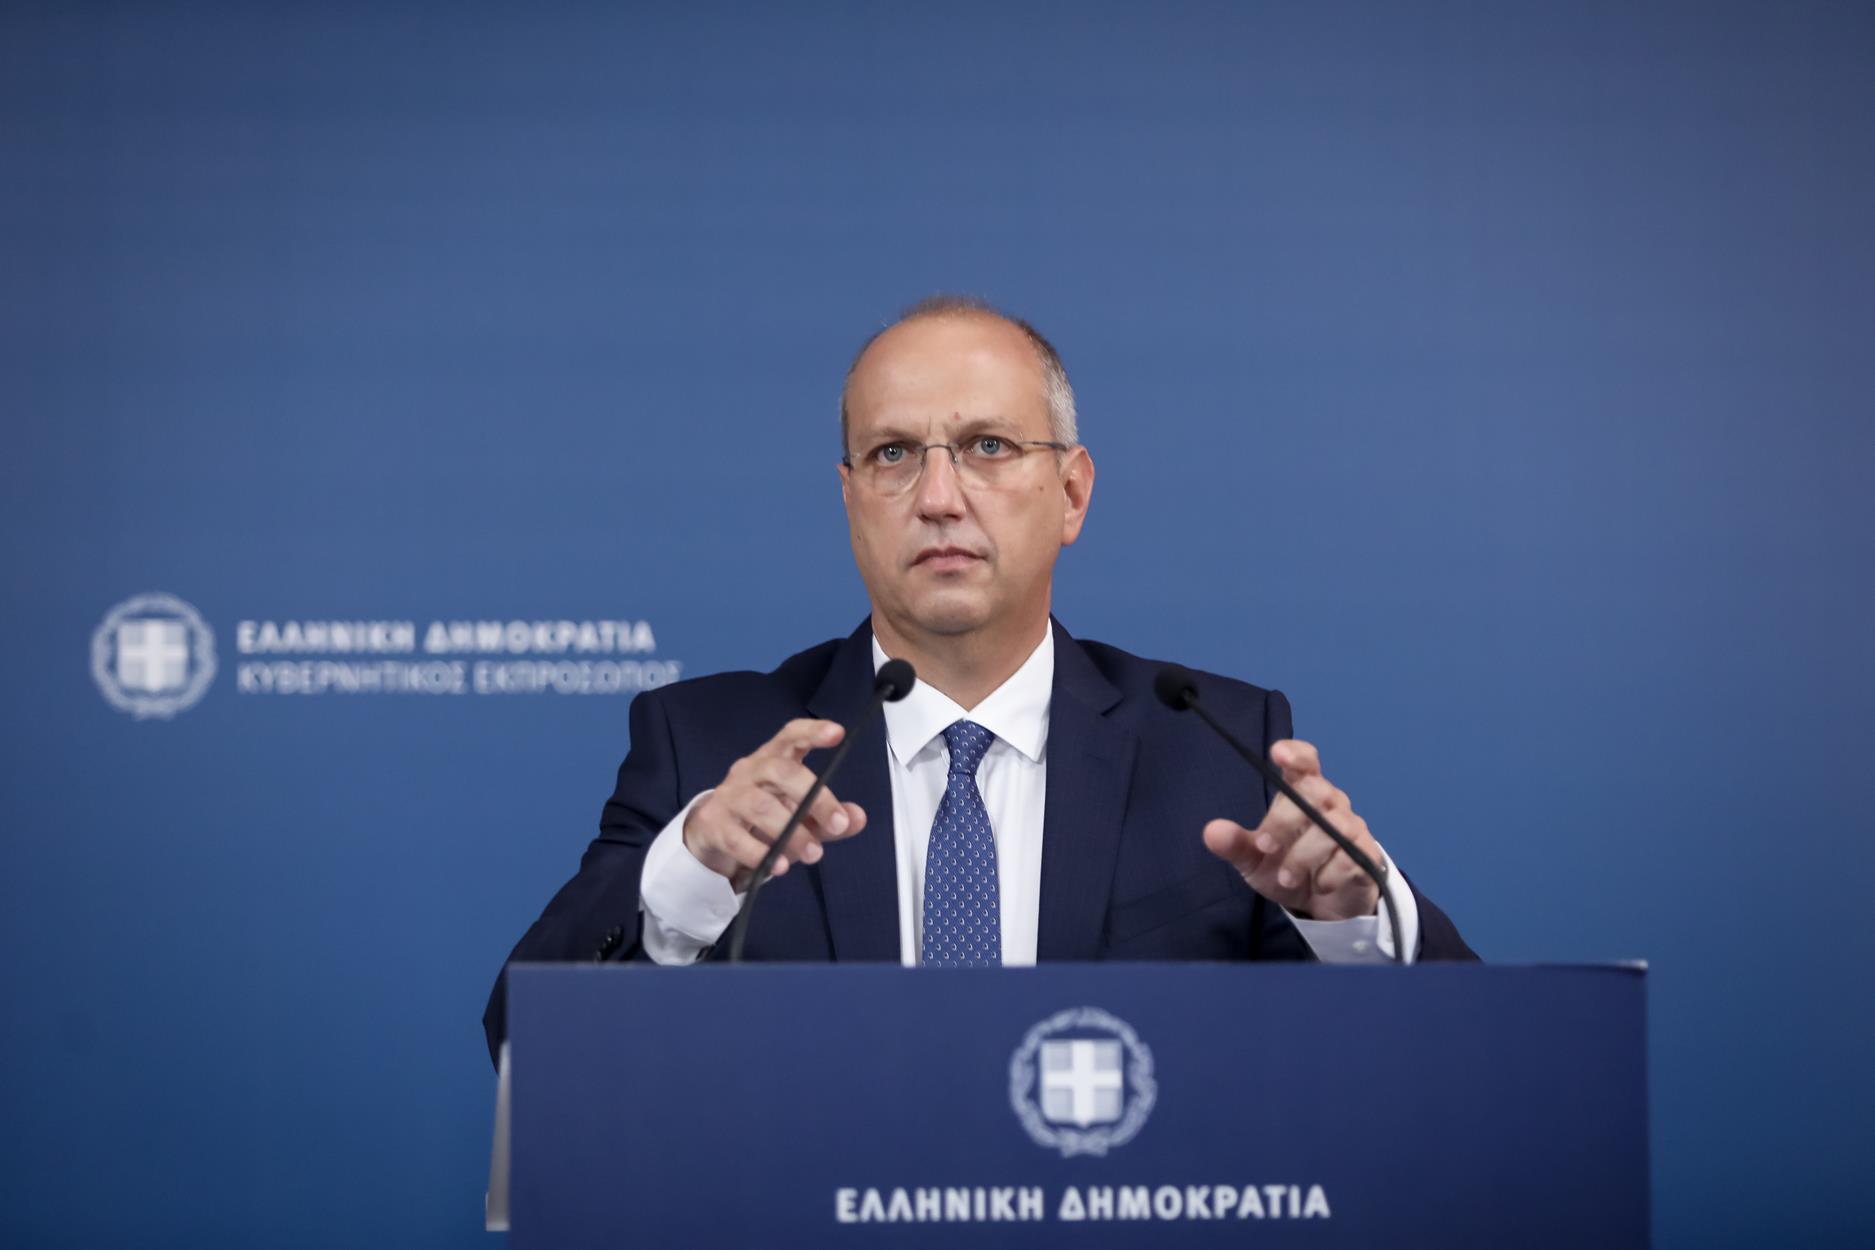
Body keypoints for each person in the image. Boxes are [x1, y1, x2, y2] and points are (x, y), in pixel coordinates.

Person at [483, 296, 1475, 1063]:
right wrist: (690, 870)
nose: (938, 497)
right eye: (893, 454)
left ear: (1072, 492)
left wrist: (1355, 921)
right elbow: (527, 1044)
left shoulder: (1214, 744)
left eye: (987, 447)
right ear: (850, 500)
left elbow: (1450, 1057)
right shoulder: (710, 745)